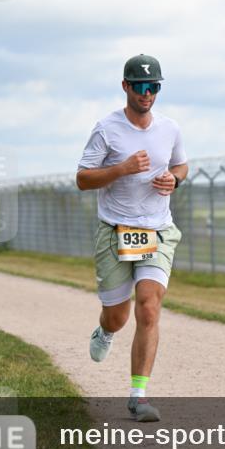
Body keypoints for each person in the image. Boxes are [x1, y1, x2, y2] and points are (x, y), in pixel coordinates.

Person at [76, 54, 187, 423]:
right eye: (139, 86)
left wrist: (175, 178)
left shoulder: (169, 128)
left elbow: (181, 164)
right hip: (116, 230)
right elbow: (83, 179)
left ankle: (138, 396)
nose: (146, 93)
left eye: (153, 86)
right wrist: (122, 169)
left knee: (149, 306)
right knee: (117, 316)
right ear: (125, 86)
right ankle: (105, 331)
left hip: (158, 229)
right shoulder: (107, 129)